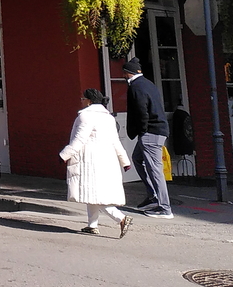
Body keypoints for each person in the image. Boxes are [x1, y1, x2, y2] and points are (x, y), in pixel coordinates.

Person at [60, 88, 133, 237]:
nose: (81, 101)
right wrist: (125, 161)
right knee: (92, 192)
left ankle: (121, 218)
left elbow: (79, 140)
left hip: (90, 161)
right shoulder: (108, 117)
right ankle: (92, 225)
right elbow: (115, 141)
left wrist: (64, 155)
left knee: (96, 194)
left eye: (82, 98)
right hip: (107, 160)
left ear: (89, 101)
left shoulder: (86, 116)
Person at [123, 57, 172, 218]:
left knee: (154, 169)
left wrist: (142, 131)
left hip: (151, 132)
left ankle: (164, 207)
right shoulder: (148, 84)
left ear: (127, 73)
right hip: (157, 129)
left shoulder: (136, 87)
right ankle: (153, 196)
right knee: (137, 158)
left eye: (124, 74)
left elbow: (141, 111)